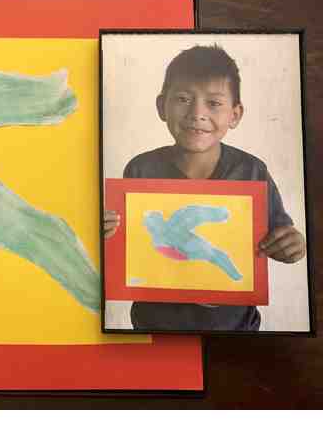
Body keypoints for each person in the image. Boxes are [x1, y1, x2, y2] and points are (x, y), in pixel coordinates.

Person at [104, 44, 306, 331]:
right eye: (183, 99)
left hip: (235, 329)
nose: (197, 113)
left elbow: (281, 236)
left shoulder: (252, 171)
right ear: (162, 106)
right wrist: (105, 232)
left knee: (217, 257)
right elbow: (126, 247)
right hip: (156, 326)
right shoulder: (141, 169)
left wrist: (294, 246)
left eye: (213, 103)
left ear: (235, 114)